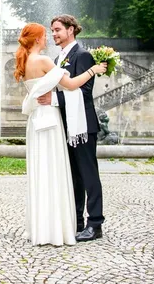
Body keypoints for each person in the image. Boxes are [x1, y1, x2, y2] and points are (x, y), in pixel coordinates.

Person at [17, 23, 107, 246]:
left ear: (71, 30)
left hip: (82, 124)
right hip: (61, 123)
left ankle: (95, 223)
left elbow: (84, 94)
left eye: (58, 30)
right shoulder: (54, 60)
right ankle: (75, 221)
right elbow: (62, 86)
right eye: (50, 31)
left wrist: (55, 99)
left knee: (88, 175)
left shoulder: (83, 55)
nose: (53, 35)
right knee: (71, 175)